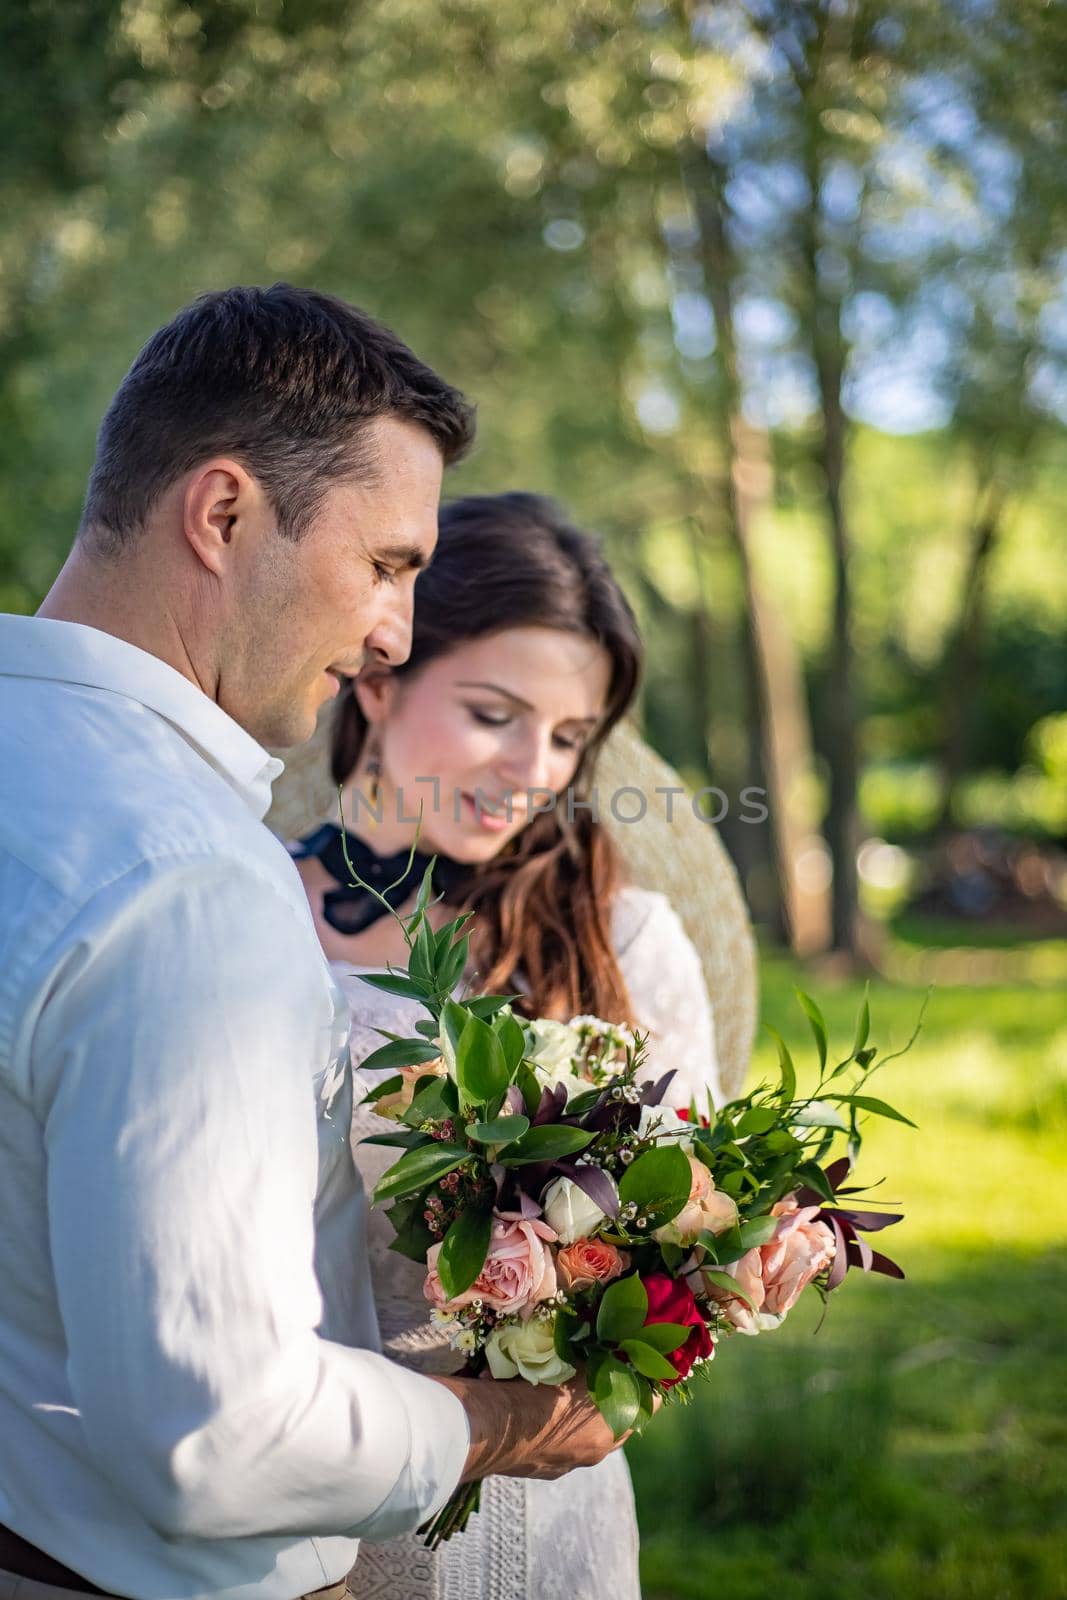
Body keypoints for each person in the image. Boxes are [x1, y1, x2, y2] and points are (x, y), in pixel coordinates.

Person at [0, 289, 622, 1600]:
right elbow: (212, 1435)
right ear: (221, 515)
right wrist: (501, 1426)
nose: (395, 630)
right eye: (388, 563)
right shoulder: (187, 881)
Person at [284, 492, 723, 1600]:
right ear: (377, 676)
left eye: (569, 737)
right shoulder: (244, 913)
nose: (534, 768)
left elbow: (699, 1234)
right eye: (493, 713)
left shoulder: (622, 941)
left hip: (554, 1512)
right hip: (311, 1505)